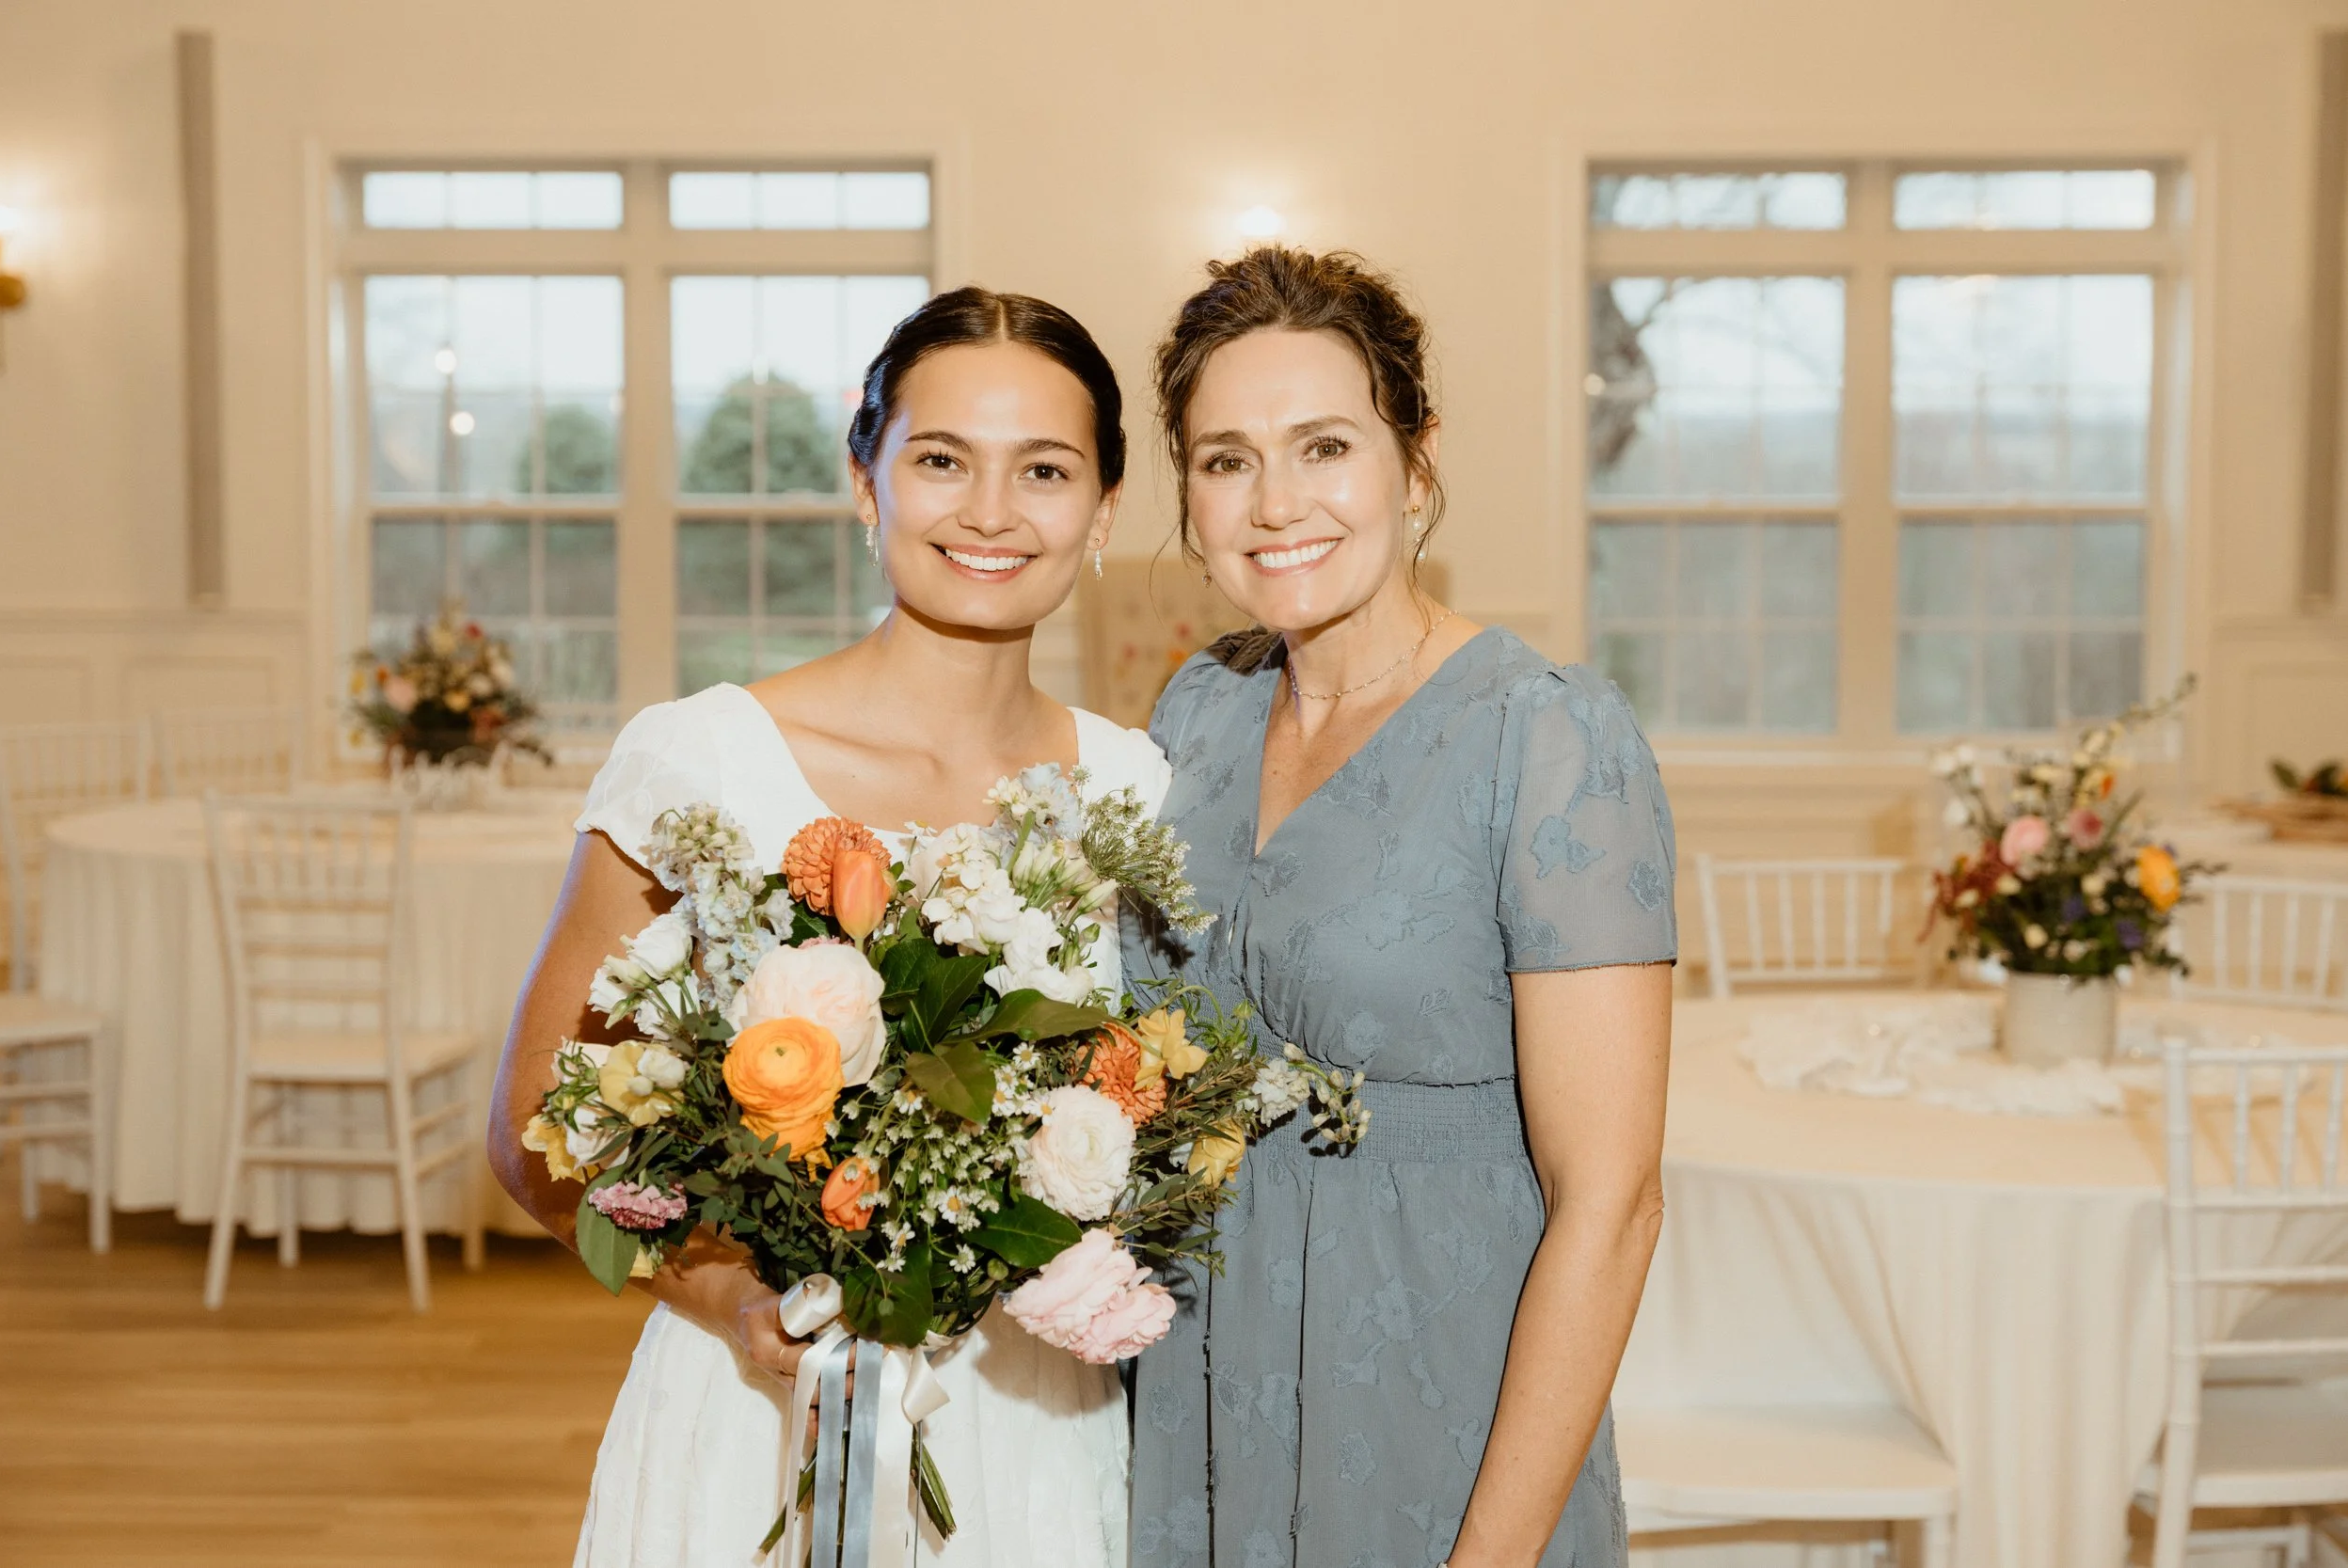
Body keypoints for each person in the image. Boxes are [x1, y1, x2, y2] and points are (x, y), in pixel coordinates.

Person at [489, 285, 1168, 1568]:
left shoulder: (1135, 789)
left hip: (1036, 1433)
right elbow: (533, 1123)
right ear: (866, 482)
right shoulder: (701, 757)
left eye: (1044, 469)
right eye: (939, 460)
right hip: (757, 1414)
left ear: (1103, 510)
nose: (990, 511)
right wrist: (727, 1290)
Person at [1125, 247, 1676, 1568]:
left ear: (1416, 465)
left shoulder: (1546, 735)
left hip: (1436, 1411)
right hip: (1193, 1392)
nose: (1274, 503)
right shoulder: (1195, 711)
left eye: (1324, 445)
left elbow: (1612, 1197)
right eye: (1224, 458)